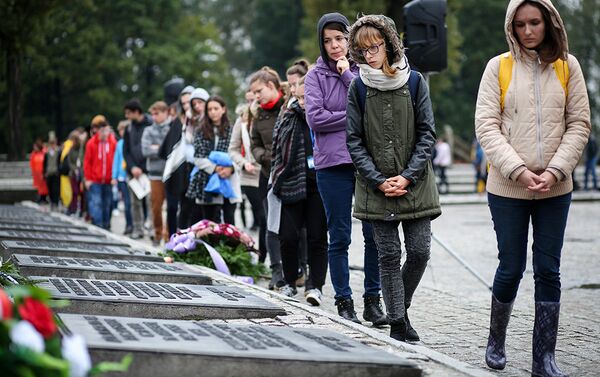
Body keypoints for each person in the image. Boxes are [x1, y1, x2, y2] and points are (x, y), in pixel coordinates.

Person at [475, 0, 591, 374]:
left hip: (555, 190)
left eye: (535, 23)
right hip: (508, 187)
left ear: (549, 22)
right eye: (520, 24)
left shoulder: (567, 66)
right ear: (512, 26)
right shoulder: (499, 67)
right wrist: (519, 170)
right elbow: (486, 127)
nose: (528, 31)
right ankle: (496, 340)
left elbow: (579, 124)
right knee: (511, 267)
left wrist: (556, 170)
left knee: (548, 269)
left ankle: (544, 356)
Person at [346, 15, 441, 341]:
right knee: (388, 256)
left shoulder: (414, 82)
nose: (369, 54)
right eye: (362, 49)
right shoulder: (358, 87)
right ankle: (398, 323)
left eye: (374, 47)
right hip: (376, 188)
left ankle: (401, 306)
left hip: (415, 184)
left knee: (419, 252)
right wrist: (376, 180)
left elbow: (428, 133)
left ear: (388, 44)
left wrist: (408, 176)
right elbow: (353, 140)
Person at [304, 12, 386, 325]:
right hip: (331, 166)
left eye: (339, 38)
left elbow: (374, 107)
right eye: (327, 41)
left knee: (373, 235)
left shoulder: (363, 70)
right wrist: (352, 116)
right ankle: (343, 300)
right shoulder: (314, 77)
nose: (334, 45)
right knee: (339, 237)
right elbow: (316, 119)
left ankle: (372, 299)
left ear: (349, 39)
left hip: (365, 163)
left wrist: (346, 76)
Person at [271, 75, 328, 304]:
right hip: (292, 181)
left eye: (308, 96)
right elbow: (277, 147)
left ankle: (315, 285)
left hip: (319, 183)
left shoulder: (323, 114)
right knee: (287, 236)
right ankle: (291, 280)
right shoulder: (287, 116)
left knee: (317, 237)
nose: (303, 101)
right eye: (300, 96)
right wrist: (277, 175)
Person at [249, 67, 287, 289]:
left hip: (289, 173)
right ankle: (276, 271)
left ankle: (299, 267)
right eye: (253, 93)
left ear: (271, 86)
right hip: (266, 172)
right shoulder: (259, 113)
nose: (256, 96)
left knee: (293, 226)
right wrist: (263, 156)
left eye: (258, 91)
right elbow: (254, 143)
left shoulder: (288, 107)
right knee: (270, 223)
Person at [186, 96, 240, 223]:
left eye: (216, 108)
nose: (213, 112)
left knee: (229, 221)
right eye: (209, 109)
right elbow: (198, 157)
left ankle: (228, 243)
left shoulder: (233, 130)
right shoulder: (200, 131)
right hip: (206, 180)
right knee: (210, 222)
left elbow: (239, 153)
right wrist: (215, 168)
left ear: (223, 109)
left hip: (229, 180)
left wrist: (231, 168)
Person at [159, 85, 198, 236]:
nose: (187, 105)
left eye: (190, 102)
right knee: (172, 208)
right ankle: (172, 239)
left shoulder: (200, 122)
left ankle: (189, 240)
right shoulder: (177, 122)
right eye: (184, 103)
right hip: (177, 171)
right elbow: (166, 149)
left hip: (193, 169)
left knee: (190, 209)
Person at [142, 101, 171, 245]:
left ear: (166, 113)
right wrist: (161, 149)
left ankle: (168, 236)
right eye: (152, 114)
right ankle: (157, 233)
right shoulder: (148, 130)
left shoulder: (172, 128)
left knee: (172, 206)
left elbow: (172, 150)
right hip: (154, 174)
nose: (154, 117)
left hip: (170, 173)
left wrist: (157, 148)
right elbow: (145, 150)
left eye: (157, 113)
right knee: (156, 206)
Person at [123, 99, 153, 239]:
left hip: (147, 170)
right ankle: (138, 228)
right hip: (133, 172)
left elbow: (153, 148)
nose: (127, 116)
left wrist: (141, 167)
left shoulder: (151, 124)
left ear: (136, 112)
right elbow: (126, 150)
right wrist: (132, 167)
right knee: (135, 203)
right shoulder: (129, 128)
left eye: (128, 113)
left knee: (151, 201)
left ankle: (152, 229)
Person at [83, 117, 117, 229]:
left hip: (108, 179)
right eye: (102, 131)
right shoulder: (91, 143)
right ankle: (98, 225)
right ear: (98, 131)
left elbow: (116, 160)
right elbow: (87, 162)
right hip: (95, 179)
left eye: (106, 130)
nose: (104, 133)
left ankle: (106, 224)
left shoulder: (112, 142)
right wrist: (88, 179)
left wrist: (114, 176)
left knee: (108, 203)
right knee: (96, 202)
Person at [112, 120, 133, 235]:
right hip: (121, 177)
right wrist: (114, 176)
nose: (121, 132)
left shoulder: (131, 141)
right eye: (120, 130)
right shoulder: (119, 144)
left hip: (131, 176)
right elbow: (116, 160)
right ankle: (129, 224)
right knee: (126, 203)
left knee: (133, 203)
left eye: (123, 130)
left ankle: (135, 224)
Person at [43, 138, 61, 209]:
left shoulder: (58, 152)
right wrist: (44, 172)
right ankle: (51, 202)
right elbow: (44, 163)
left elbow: (59, 162)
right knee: (50, 188)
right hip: (49, 172)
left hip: (56, 173)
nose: (52, 145)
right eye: (51, 144)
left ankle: (55, 202)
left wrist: (58, 171)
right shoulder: (47, 153)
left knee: (55, 189)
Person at [30, 138, 48, 204]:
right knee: (39, 186)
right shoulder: (34, 154)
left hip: (43, 172)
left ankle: (44, 197)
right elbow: (32, 163)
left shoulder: (44, 152)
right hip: (37, 173)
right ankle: (41, 197)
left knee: (44, 186)